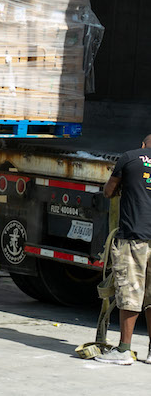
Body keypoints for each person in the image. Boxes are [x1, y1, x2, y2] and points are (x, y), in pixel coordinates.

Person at [95, 134, 151, 365]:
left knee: (130, 293)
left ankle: (124, 351)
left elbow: (109, 191)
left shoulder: (130, 158)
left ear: (143, 145)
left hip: (134, 237)